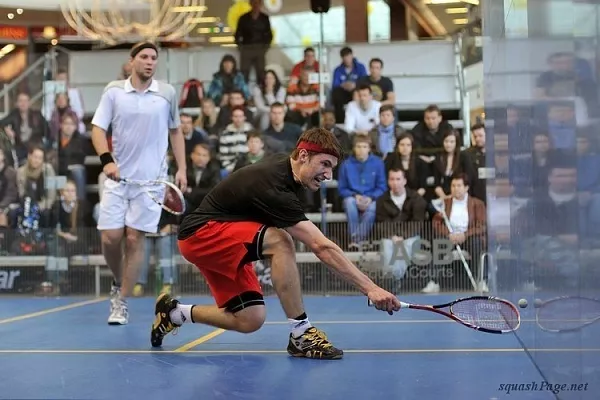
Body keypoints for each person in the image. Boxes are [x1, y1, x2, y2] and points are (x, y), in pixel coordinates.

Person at [150, 127, 401, 359]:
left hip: (224, 239)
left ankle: (173, 312)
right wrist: (370, 288)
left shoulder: (287, 168)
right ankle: (302, 333)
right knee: (280, 240)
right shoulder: (274, 186)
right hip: (201, 234)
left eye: (332, 167)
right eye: (325, 164)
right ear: (303, 155)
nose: (328, 174)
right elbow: (321, 246)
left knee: (251, 319)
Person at [91, 42, 187, 325]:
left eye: (154, 58)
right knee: (110, 238)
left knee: (134, 238)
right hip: (117, 179)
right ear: (131, 62)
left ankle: (120, 300)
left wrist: (181, 168)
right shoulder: (113, 91)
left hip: (152, 183)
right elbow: (98, 129)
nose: (149, 62)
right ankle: (119, 280)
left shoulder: (167, 93)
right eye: (144, 57)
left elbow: (176, 130)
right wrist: (107, 160)